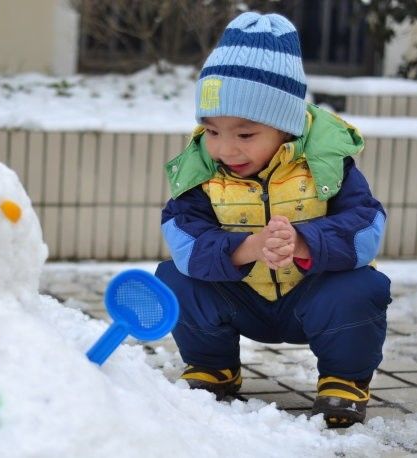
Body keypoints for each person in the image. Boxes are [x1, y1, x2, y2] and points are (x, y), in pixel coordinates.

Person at [155, 11, 392, 428]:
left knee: (363, 285)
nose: (226, 149)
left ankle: (344, 379)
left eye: (244, 134)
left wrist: (305, 242)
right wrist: (246, 248)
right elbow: (183, 237)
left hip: (310, 296)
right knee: (176, 276)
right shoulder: (203, 170)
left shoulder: (325, 165)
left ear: (285, 126)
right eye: (212, 131)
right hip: (241, 295)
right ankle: (213, 367)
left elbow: (366, 226)